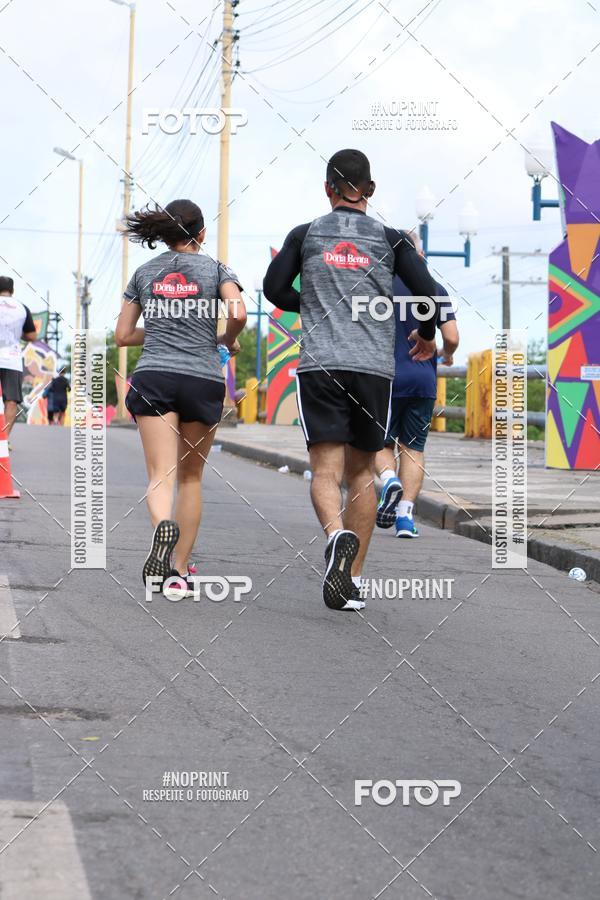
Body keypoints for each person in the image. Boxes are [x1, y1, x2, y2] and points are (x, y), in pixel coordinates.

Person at [263, 149, 440, 612]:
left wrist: (315, 304)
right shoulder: (391, 240)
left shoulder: (305, 235)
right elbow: (429, 295)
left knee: (326, 471)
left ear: (327, 188)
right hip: (373, 372)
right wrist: (423, 333)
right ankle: (353, 578)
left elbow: (272, 289)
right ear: (371, 190)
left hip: (319, 367)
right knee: (363, 471)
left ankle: (334, 534)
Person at [115, 199, 247, 596]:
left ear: (164, 235)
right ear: (201, 234)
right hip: (202, 378)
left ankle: (161, 528)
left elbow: (122, 335)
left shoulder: (144, 272)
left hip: (155, 375)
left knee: (161, 474)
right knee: (191, 478)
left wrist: (159, 332)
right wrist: (227, 338)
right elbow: (238, 312)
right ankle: (178, 575)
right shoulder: (216, 268)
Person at [375, 233, 459, 537]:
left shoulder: (376, 288)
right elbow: (451, 338)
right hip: (422, 381)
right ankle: (406, 518)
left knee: (379, 443)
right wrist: (445, 356)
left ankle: (388, 480)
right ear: (419, 256)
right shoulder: (435, 289)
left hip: (384, 379)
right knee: (413, 448)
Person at [0, 276, 38, 439]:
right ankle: (3, 439)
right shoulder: (22, 308)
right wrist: (18, 334)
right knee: (11, 401)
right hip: (12, 359)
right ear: (12, 291)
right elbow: (32, 335)